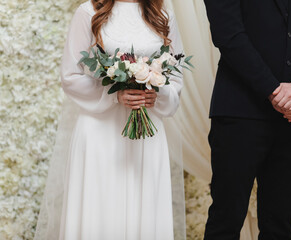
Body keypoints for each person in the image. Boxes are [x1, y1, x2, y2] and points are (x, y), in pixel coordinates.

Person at [34, 0, 183, 239]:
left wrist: (158, 93)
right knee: (99, 210)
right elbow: (70, 75)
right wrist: (114, 94)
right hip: (99, 131)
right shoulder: (89, 12)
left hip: (148, 133)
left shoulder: (162, 15)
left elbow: (176, 79)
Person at [203, 0, 291, 239]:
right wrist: (274, 92)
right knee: (226, 220)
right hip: (239, 112)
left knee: (280, 225)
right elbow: (228, 34)